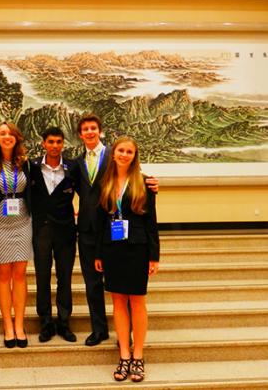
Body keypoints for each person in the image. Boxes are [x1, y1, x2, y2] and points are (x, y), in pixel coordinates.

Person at [74, 114, 158, 347]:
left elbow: (134, 182)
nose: (90, 132)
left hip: (121, 235)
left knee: (126, 289)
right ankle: (99, 330)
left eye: (93, 128)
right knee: (93, 284)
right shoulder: (76, 162)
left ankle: (129, 335)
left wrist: (152, 183)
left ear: (100, 131)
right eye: (85, 129)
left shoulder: (116, 153)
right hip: (90, 232)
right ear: (80, 134)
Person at [94, 136, 160, 382]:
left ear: (135, 155)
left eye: (129, 151)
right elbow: (102, 223)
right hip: (112, 249)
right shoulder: (106, 183)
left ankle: (138, 356)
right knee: (118, 302)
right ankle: (123, 354)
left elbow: (151, 221)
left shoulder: (145, 183)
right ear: (113, 153)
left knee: (137, 302)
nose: (124, 154)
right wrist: (99, 253)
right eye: (120, 150)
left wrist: (154, 256)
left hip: (137, 249)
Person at [0, 121, 32, 348]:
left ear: (17, 138)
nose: (7, 136)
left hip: (23, 221)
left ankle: (20, 325)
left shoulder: (26, 163)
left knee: (20, 273)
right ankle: (7, 325)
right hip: (0, 223)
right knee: (4, 273)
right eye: (2, 133)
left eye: (10, 133)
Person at [30, 127, 77, 343]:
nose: (55, 145)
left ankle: (64, 321)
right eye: (51, 142)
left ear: (63, 144)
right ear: (44, 144)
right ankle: (46, 322)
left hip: (66, 230)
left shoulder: (73, 167)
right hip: (40, 230)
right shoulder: (31, 167)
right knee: (42, 277)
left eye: (59, 142)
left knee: (64, 277)